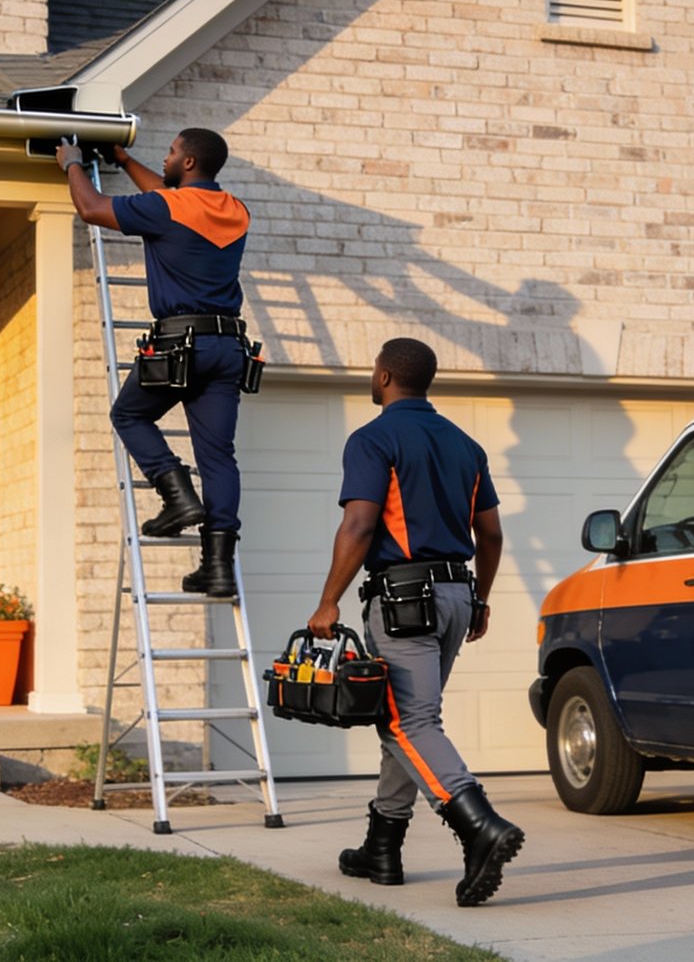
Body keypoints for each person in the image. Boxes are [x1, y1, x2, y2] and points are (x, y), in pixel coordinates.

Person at [305, 337, 521, 907]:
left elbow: (358, 526)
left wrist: (328, 601)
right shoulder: (466, 446)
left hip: (404, 600)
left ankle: (479, 826)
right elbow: (492, 534)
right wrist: (481, 599)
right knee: (404, 719)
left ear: (383, 377)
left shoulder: (374, 438)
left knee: (407, 723)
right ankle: (382, 845)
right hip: (454, 598)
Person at [59, 129, 252, 595]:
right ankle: (218, 568)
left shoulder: (169, 208)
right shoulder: (235, 211)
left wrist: (71, 163)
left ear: (187, 163)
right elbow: (167, 198)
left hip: (181, 342)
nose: (165, 158)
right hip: (227, 348)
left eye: (170, 152)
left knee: (127, 413)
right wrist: (124, 159)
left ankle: (177, 496)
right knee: (219, 456)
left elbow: (91, 208)